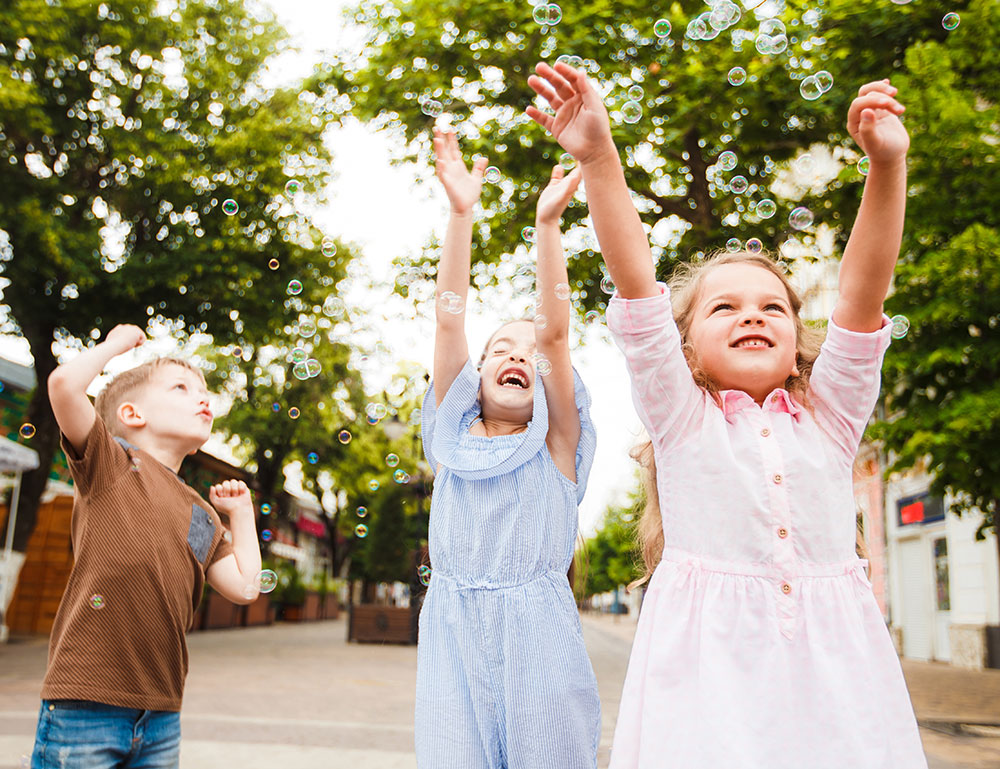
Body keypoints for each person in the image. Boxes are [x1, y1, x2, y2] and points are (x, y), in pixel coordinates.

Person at [527, 62, 927, 768]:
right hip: (709, 677)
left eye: (773, 306)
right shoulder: (682, 416)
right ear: (683, 347)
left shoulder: (831, 416)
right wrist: (598, 155)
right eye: (726, 306)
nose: (753, 314)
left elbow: (865, 293)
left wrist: (886, 166)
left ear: (798, 336)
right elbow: (635, 280)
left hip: (836, 677)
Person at [415, 128, 600, 768]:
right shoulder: (449, 437)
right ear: (476, 375)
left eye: (532, 353)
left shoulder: (555, 442)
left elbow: (554, 330)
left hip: (538, 634)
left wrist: (548, 225)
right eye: (501, 348)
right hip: (452, 628)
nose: (519, 353)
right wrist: (461, 213)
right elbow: (448, 317)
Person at [31, 325, 263, 769]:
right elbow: (62, 386)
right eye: (181, 387)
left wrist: (242, 516)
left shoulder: (200, 514)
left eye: (205, 390)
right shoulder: (111, 463)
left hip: (160, 712)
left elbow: (246, 588)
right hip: (85, 702)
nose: (203, 398)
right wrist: (118, 344)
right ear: (132, 414)